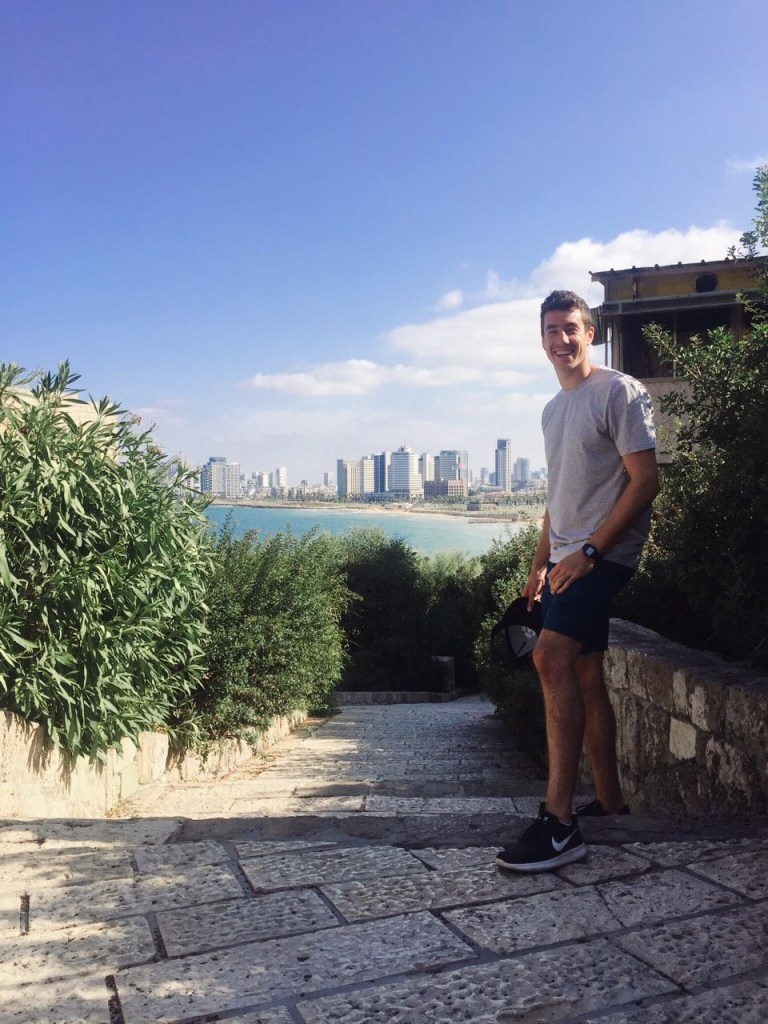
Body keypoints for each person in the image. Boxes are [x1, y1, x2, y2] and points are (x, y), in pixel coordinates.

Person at [496, 290, 659, 873]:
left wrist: (590, 552)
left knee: (549, 658)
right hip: (566, 557)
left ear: (591, 333)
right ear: (541, 340)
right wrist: (539, 562)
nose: (560, 340)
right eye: (551, 330)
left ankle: (559, 823)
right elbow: (558, 497)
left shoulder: (619, 392)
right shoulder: (552, 410)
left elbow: (645, 481)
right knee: (586, 673)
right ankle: (609, 802)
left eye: (571, 328)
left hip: (603, 555)